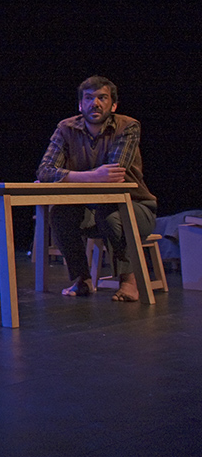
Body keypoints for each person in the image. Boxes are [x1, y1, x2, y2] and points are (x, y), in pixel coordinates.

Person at [36, 75, 158, 302]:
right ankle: (82, 279)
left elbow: (113, 175)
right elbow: (44, 171)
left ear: (113, 105)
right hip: (91, 208)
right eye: (89, 98)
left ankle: (129, 281)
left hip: (136, 207)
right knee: (61, 213)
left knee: (109, 214)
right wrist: (92, 176)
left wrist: (65, 177)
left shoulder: (127, 127)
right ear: (80, 104)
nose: (95, 103)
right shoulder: (65, 128)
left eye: (102, 98)